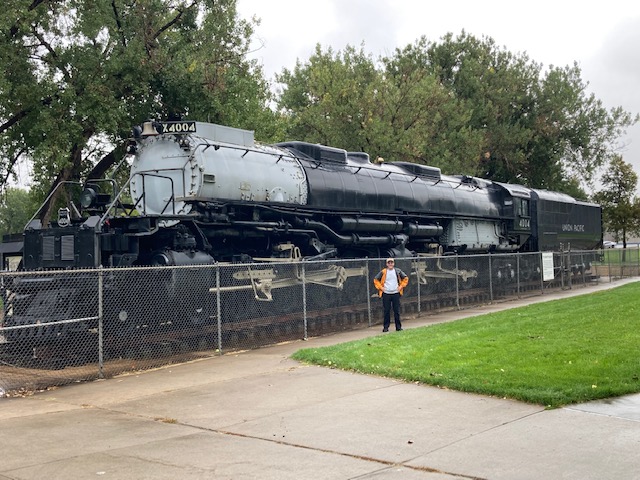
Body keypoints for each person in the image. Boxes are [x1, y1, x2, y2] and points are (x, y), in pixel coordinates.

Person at [373, 258, 409, 332]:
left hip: (396, 293)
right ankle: (386, 327)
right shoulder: (383, 272)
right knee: (386, 311)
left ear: (393, 263)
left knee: (397, 311)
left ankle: (398, 327)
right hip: (386, 294)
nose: (390, 264)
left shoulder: (398, 271)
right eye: (389, 263)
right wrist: (381, 288)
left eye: (391, 262)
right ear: (386, 264)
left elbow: (405, 278)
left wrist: (401, 286)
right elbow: (376, 280)